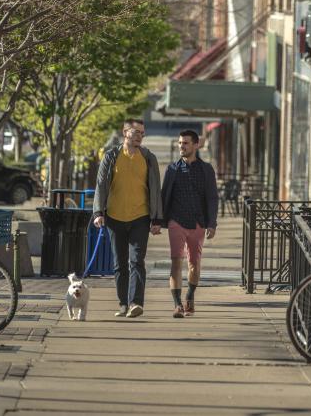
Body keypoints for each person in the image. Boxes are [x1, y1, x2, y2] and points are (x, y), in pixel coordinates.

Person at [92, 119, 162, 318]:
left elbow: (155, 190)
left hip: (140, 216)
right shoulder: (111, 156)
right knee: (119, 264)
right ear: (125, 132)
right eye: (136, 132)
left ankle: (135, 303)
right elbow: (101, 185)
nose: (140, 136)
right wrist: (98, 213)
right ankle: (123, 303)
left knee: (137, 260)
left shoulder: (149, 158)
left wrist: (157, 219)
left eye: (142, 133)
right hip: (114, 217)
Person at [159, 129, 218, 318]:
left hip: (198, 223)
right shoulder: (172, 169)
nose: (181, 146)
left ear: (196, 145)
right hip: (176, 221)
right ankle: (177, 305)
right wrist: (158, 221)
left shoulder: (206, 170)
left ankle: (190, 296)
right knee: (176, 261)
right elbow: (164, 196)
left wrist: (212, 223)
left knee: (194, 263)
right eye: (179, 143)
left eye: (185, 143)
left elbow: (212, 198)